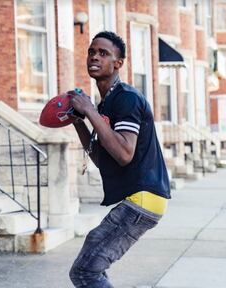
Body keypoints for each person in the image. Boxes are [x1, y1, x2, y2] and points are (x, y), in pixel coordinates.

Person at [68, 31, 171, 287]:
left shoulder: (126, 98)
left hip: (142, 198)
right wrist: (79, 121)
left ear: (118, 63)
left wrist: (90, 110)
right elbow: (104, 160)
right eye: (92, 51)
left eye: (104, 53)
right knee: (91, 267)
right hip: (139, 199)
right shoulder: (106, 105)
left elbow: (125, 153)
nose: (95, 57)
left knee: (85, 271)